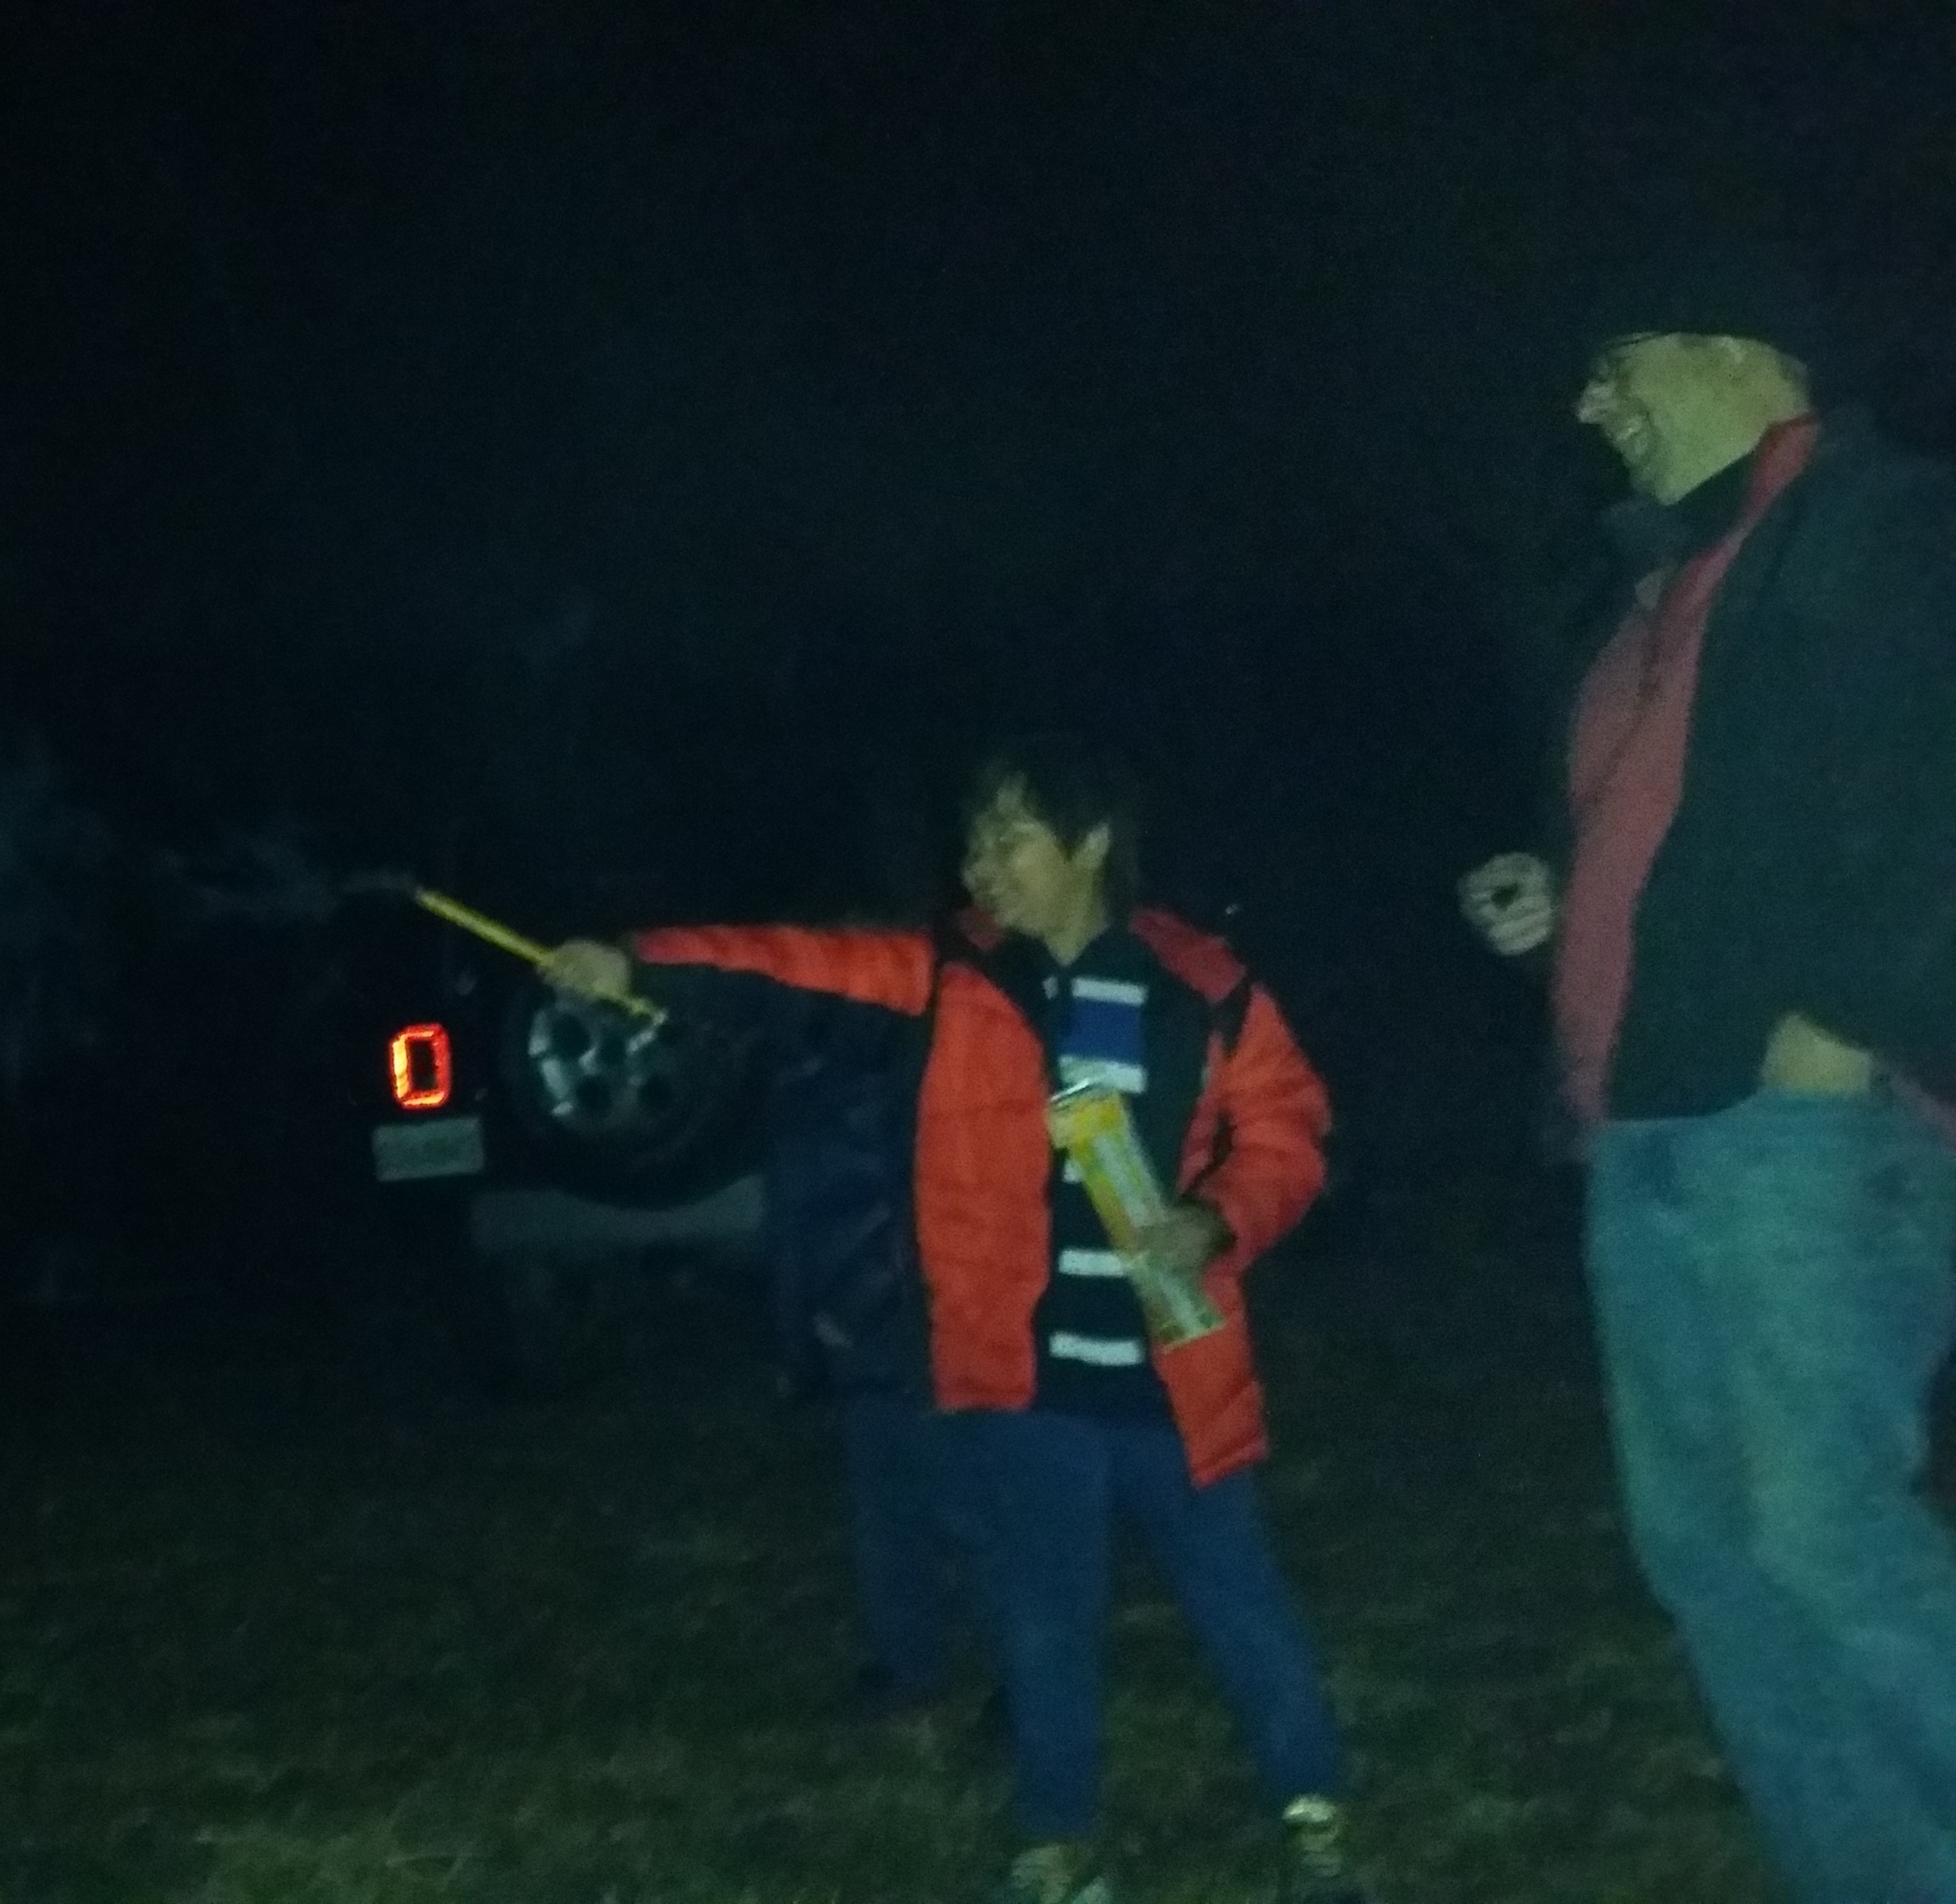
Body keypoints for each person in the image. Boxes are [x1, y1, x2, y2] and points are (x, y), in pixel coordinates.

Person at [548, 732, 1367, 1904]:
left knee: (1238, 1603)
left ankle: (1314, 1819)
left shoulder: (1201, 983)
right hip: (1023, 1380)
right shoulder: (950, 975)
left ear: (1089, 842)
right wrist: (636, 964)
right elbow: (789, 966)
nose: (980, 860)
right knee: (1042, 1619)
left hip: (1172, 1377)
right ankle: (1057, 1848)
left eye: (1009, 834)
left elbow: (1287, 1132)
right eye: (974, 835)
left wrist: (1216, 1217)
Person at [1461, 241, 1956, 1903]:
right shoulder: (1654, 591)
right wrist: (1557, 905)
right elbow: (1683, 847)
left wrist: (1853, 1020)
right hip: (1641, 1128)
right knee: (1709, 1558)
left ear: (1745, 352)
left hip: (1800, 1125)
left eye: (1620, 362)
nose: (1587, 402)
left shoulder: (1882, 527)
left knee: (1826, 1540)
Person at [762, 984, 993, 1727]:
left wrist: (851, 1314)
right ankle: (909, 1664)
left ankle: (1021, 1681)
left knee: (962, 1508)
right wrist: (805, 1338)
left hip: (915, 1329)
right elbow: (797, 1225)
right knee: (889, 1512)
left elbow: (896, 1210)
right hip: (865, 1337)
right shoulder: (812, 1087)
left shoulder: (909, 1080)